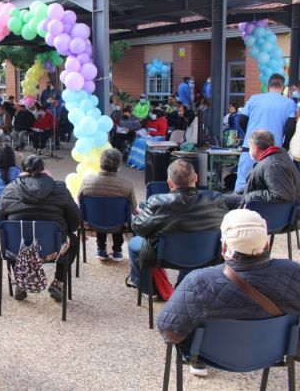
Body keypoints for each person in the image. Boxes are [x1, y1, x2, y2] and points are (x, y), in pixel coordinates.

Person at [157, 209, 300, 377]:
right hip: (274, 353)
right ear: (267, 244)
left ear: (224, 247)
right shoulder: (294, 273)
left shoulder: (197, 282)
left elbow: (169, 330)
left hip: (208, 355)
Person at [127, 160, 228, 292]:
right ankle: (183, 287)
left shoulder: (156, 202)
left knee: (133, 244)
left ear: (169, 183)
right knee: (192, 246)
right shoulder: (216, 199)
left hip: (163, 257)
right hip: (207, 254)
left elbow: (139, 229)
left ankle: (147, 289)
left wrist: (142, 214)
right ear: (195, 178)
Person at [0, 155, 81, 301]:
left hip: (18, 249)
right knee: (73, 241)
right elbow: (75, 221)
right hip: (54, 249)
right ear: (43, 170)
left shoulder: (9, 188)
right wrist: (66, 230)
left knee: (10, 240)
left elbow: (1, 221)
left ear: (22, 170)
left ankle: (20, 282)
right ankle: (59, 282)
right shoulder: (59, 188)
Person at [235, 74, 298, 191]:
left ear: (268, 86)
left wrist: (248, 135)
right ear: (283, 87)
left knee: (243, 185)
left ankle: (241, 207)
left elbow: (241, 119)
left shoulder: (254, 99)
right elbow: (290, 126)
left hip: (250, 148)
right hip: (273, 151)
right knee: (271, 186)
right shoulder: (289, 103)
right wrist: (285, 145)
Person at [78, 148, 138, 262]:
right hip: (119, 224)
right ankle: (117, 251)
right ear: (119, 165)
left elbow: (79, 199)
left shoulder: (87, 181)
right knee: (119, 217)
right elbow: (134, 209)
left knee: (100, 213)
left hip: (92, 223)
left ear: (100, 163)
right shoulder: (127, 185)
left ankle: (101, 249)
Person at [224, 130, 300, 210]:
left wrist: (250, 196)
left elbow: (281, 195)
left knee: (218, 201)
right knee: (219, 199)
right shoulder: (277, 158)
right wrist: (244, 191)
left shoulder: (273, 166)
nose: (249, 149)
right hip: (263, 206)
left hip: (265, 211)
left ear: (256, 148)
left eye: (249, 147)